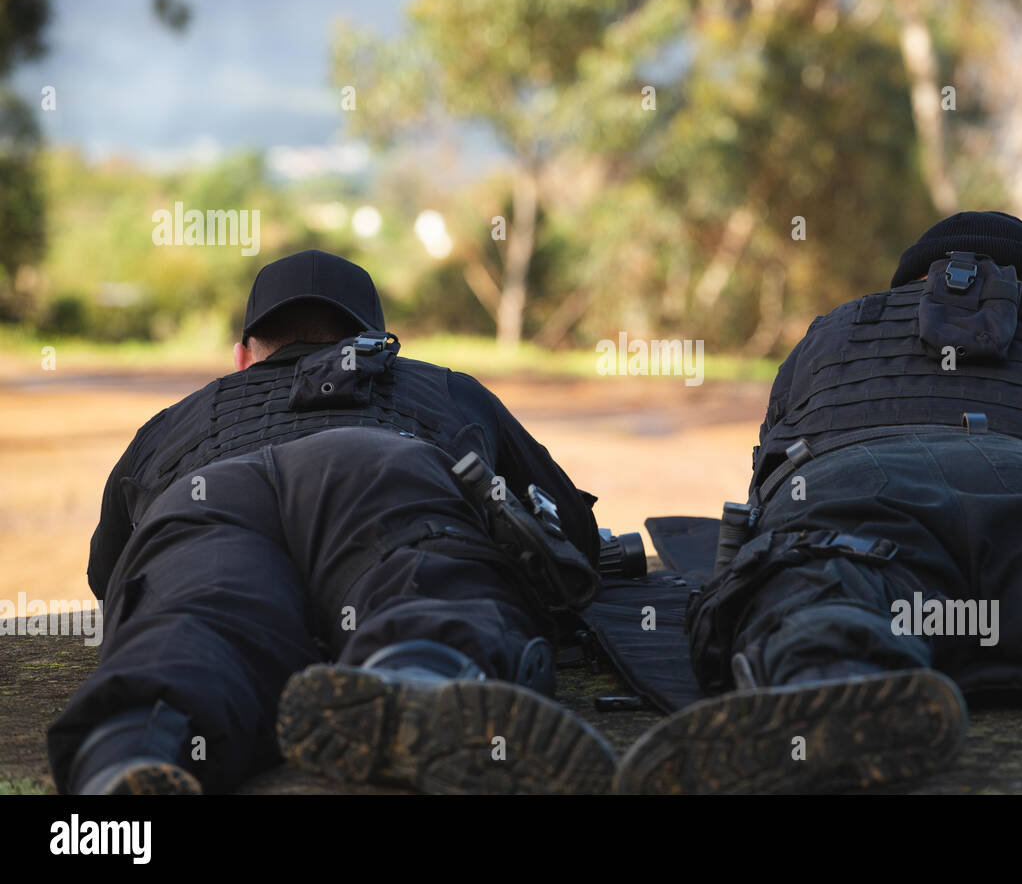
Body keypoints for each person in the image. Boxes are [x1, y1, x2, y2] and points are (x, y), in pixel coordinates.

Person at [617, 211, 1022, 795]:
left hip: (852, 505)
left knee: (819, 604)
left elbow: (768, 492)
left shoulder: (825, 340)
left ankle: (831, 676)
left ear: (904, 283)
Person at [49, 249, 616, 795]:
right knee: (421, 583)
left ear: (244, 355)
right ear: (375, 343)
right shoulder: (442, 385)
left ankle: (131, 751)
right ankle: (420, 676)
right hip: (377, 466)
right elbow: (571, 538)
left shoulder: (175, 418)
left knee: (191, 621)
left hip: (210, 496)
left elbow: (109, 577)